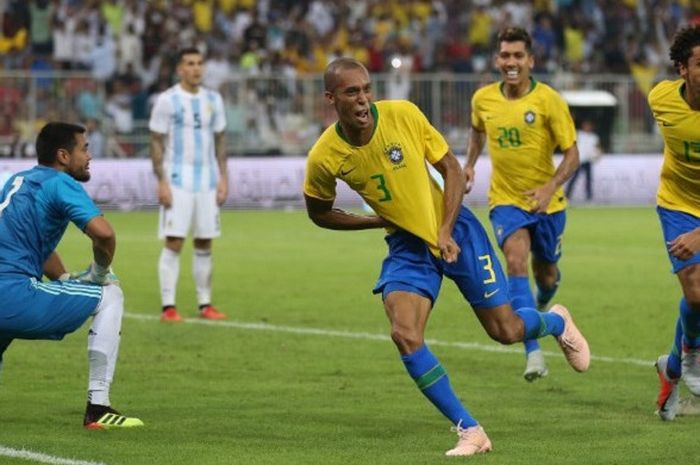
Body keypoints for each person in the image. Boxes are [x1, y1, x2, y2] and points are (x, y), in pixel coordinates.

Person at [303, 57, 590, 456]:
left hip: (456, 231)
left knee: (505, 331)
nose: (364, 99)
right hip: (407, 246)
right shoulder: (324, 156)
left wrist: (443, 230)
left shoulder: (402, 114)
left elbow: (451, 168)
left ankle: (555, 321)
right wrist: (373, 222)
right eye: (352, 92)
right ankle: (470, 430)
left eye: (367, 89)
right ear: (330, 98)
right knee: (404, 333)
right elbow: (318, 212)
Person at [0, 122, 143, 429]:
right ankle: (98, 407)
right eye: (85, 148)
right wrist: (99, 272)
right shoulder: (60, 183)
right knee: (109, 295)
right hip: (12, 294)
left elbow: (33, 246)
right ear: (63, 156)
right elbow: (104, 235)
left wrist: (63, 278)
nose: (89, 156)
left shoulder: (18, 180)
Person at [463, 27, 581, 382]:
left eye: (517, 56)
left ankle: (541, 300)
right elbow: (476, 130)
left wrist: (549, 187)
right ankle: (533, 351)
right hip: (506, 200)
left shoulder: (549, 101)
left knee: (546, 273)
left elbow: (573, 155)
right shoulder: (483, 99)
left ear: (531, 60)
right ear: (497, 59)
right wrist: (469, 164)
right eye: (504, 56)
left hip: (548, 204)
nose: (510, 62)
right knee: (515, 260)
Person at [149, 47, 228, 322]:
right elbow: (156, 141)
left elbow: (220, 140)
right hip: (177, 180)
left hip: (207, 181)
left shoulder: (214, 99)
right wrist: (161, 181)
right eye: (190, 64)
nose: (196, 68)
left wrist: (223, 178)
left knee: (205, 241)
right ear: (180, 69)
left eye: (199, 63)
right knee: (174, 241)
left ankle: (205, 304)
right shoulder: (168, 100)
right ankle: (168, 306)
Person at [648, 25, 700, 421]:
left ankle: (671, 369)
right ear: (682, 68)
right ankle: (692, 355)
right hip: (677, 203)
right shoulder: (660, 99)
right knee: (696, 291)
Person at [565, 119, 602, 202]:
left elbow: (598, 148)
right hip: (579, 160)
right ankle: (567, 195)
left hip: (588, 160)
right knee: (574, 178)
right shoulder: (579, 134)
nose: (587, 127)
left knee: (588, 179)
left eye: (588, 126)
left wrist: (598, 154)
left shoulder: (594, 137)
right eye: (586, 125)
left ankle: (589, 196)